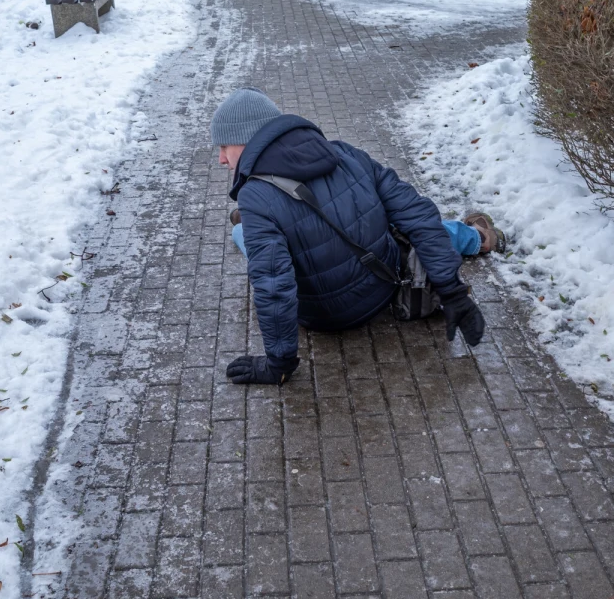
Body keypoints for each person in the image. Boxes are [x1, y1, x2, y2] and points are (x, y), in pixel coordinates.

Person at [213, 87, 506, 385]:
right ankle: (478, 237)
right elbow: (417, 215)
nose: (222, 159)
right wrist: (452, 292)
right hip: (383, 284)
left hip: (325, 317)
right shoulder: (344, 152)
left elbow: (274, 284)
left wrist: (279, 363)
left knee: (243, 234)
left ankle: (262, 223)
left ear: (249, 139)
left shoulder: (253, 195)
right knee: (409, 227)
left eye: (225, 146)